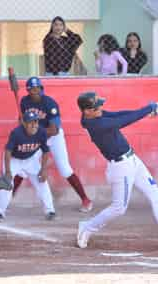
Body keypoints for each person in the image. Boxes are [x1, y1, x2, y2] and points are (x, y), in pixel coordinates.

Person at [75, 92, 158, 251]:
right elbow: (123, 121)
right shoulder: (95, 124)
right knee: (119, 208)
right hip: (120, 167)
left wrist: (149, 109)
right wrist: (149, 108)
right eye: (96, 107)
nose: (100, 108)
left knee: (155, 194)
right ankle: (87, 227)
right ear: (86, 111)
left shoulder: (96, 116)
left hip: (133, 161)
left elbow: (119, 114)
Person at [14, 76, 93, 212]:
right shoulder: (24, 102)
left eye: (37, 88)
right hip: (36, 137)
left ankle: (85, 200)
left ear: (41, 88)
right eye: (32, 89)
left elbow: (54, 130)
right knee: (22, 167)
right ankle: (9, 196)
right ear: (28, 91)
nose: (35, 91)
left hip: (53, 137)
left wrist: (33, 132)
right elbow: (22, 121)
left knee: (64, 169)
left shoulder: (50, 103)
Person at [0, 111, 56, 222]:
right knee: (6, 184)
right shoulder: (16, 133)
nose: (34, 125)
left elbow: (45, 151)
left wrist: (43, 169)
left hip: (31, 159)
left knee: (42, 182)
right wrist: (8, 172)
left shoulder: (41, 132)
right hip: (14, 160)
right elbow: (8, 152)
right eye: (30, 122)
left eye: (36, 122)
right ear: (24, 124)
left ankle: (50, 211)